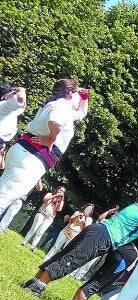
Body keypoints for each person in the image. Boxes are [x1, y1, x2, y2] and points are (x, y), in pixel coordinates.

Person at [21, 183, 138, 298]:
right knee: (73, 259)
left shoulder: (136, 208)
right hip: (104, 236)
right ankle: (38, 286)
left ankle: (34, 281)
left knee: (67, 254)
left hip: (98, 231)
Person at [0, 79, 88, 216]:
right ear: (70, 93)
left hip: (25, 155)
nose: (79, 98)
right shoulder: (62, 106)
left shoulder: (60, 106)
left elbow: (82, 113)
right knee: (3, 199)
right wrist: (51, 139)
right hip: (30, 159)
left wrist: (84, 97)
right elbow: (55, 121)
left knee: (3, 193)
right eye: (78, 94)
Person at [21, 186, 66, 251]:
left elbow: (59, 209)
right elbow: (44, 200)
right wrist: (55, 196)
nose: (61, 192)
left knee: (40, 232)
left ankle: (32, 247)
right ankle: (24, 242)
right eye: (60, 190)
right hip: (41, 214)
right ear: (57, 189)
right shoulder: (50, 194)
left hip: (49, 218)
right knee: (34, 229)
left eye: (63, 192)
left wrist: (61, 200)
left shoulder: (60, 201)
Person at [0, 85, 26, 169]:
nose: (16, 95)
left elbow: (22, 107)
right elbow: (20, 99)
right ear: (6, 96)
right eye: (14, 93)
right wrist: (22, 91)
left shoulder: (11, 111)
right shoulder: (3, 106)